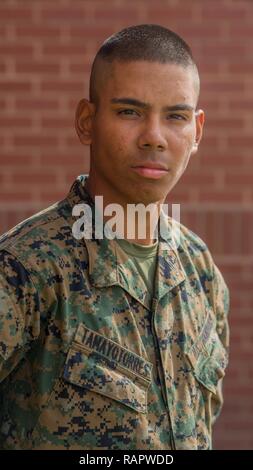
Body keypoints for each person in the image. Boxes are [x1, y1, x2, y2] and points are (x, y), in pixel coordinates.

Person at [0, 24, 229, 450]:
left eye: (175, 116)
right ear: (87, 122)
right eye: (129, 112)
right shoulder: (26, 269)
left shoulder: (200, 269)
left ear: (197, 130)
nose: (154, 138)